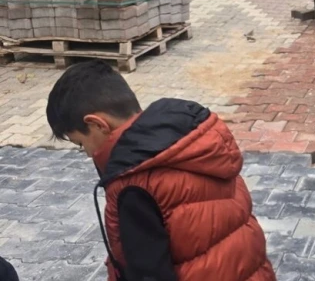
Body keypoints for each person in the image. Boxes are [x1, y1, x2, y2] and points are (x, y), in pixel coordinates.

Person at [46, 60, 275, 281]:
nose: (86, 153)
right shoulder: (193, 141)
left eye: (80, 143)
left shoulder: (135, 186)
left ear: (98, 124)